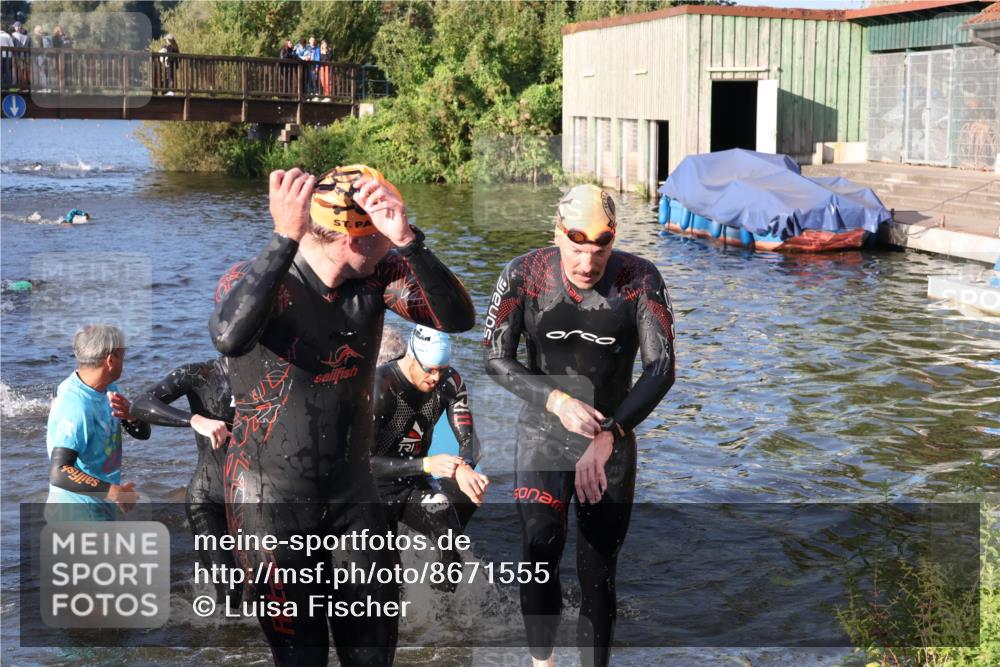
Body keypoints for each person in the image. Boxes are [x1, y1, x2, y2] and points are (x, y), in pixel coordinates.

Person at [210, 164, 476, 665]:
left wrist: (411, 240)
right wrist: (283, 237)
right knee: (301, 658)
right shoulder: (259, 280)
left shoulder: (379, 277)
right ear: (352, 241)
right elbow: (228, 336)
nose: (389, 248)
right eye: (381, 236)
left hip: (355, 499)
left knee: (373, 656)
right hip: (271, 503)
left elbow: (457, 318)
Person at [484, 184, 676, 667]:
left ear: (613, 242)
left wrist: (611, 434)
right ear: (557, 235)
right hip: (543, 433)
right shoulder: (524, 275)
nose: (588, 264)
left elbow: (661, 369)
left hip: (611, 439)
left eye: (600, 250)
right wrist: (554, 400)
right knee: (538, 548)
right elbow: (494, 357)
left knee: (596, 570)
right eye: (577, 249)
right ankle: (541, 664)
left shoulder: (639, 278)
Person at [371, 325, 489, 587]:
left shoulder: (451, 382)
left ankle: (441, 619)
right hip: (370, 490)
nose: (436, 378)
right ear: (411, 358)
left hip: (411, 482)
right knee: (387, 577)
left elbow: (469, 439)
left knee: (450, 541)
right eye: (430, 369)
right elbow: (362, 464)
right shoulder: (381, 386)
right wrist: (426, 464)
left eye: (442, 370)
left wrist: (464, 467)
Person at [130, 356, 241, 608]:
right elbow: (141, 404)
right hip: (208, 499)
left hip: (257, 498)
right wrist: (193, 420)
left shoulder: (275, 375)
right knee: (232, 590)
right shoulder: (201, 374)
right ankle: (227, 645)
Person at [45, 325, 151, 522]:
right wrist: (113, 492)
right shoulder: (75, 406)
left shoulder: (107, 387)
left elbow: (143, 433)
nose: (125, 362)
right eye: (123, 356)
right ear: (110, 360)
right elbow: (59, 471)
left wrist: (131, 416)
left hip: (98, 505)